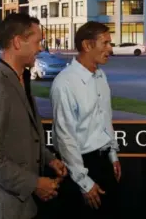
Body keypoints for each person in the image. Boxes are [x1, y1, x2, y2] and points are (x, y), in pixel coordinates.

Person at [0, 13, 67, 219]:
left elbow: (22, 137)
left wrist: (49, 160)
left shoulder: (21, 79)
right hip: (2, 211)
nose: (40, 49)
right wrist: (34, 184)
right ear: (17, 42)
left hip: (23, 209)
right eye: (37, 42)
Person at [50, 21, 121, 219]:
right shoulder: (64, 83)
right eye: (105, 43)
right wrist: (84, 182)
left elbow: (105, 118)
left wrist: (112, 155)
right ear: (87, 45)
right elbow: (66, 138)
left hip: (104, 163)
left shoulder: (101, 76)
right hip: (80, 168)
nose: (110, 49)